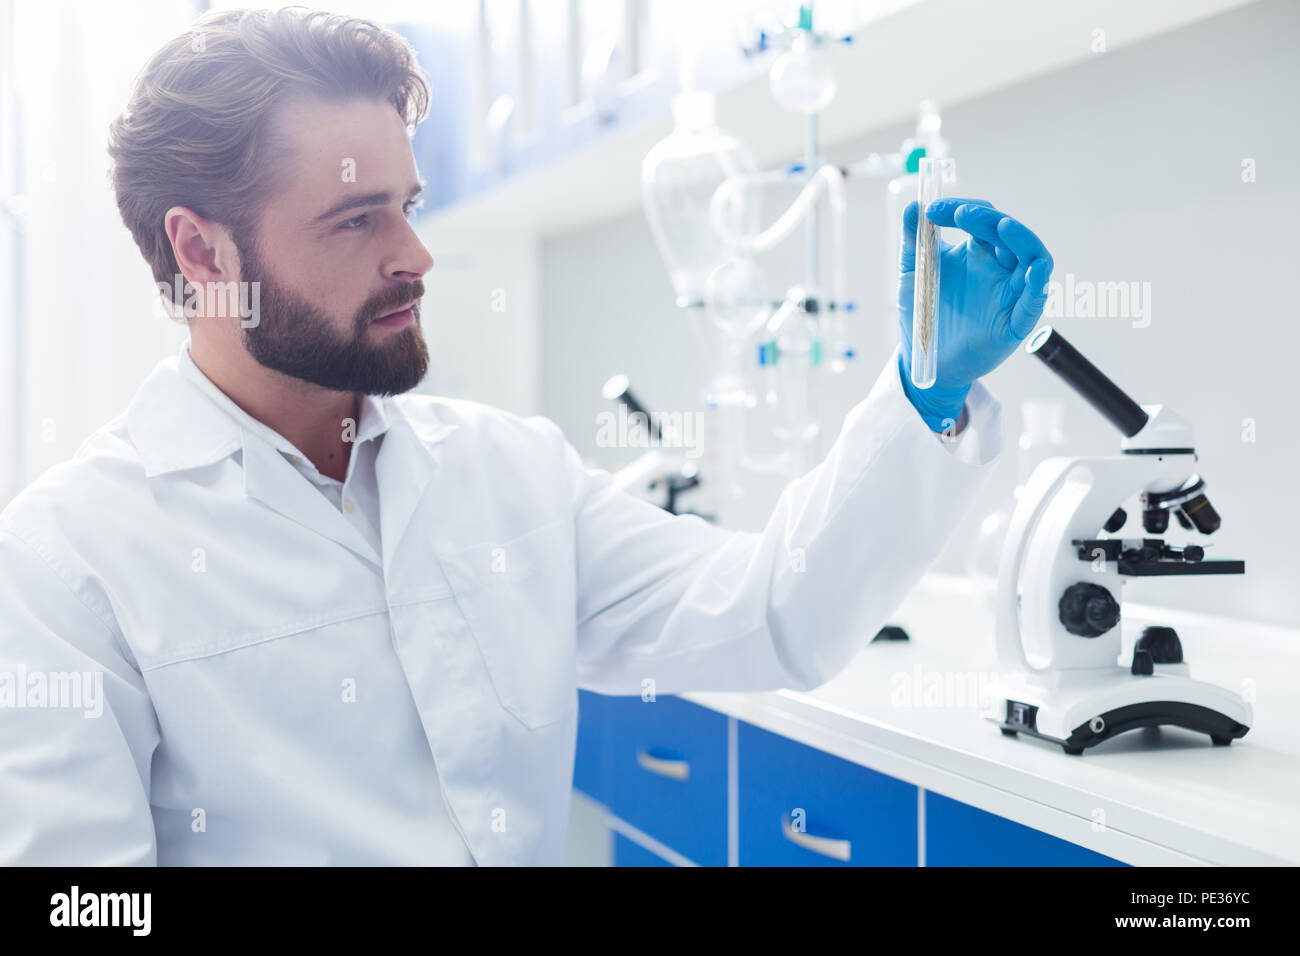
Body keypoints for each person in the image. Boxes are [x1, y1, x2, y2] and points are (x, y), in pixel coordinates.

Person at [0, 8, 1051, 865]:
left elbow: (772, 613)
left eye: (408, 204)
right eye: (356, 218)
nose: (416, 251)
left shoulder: (508, 471)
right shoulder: (71, 556)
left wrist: (923, 392)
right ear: (200, 246)